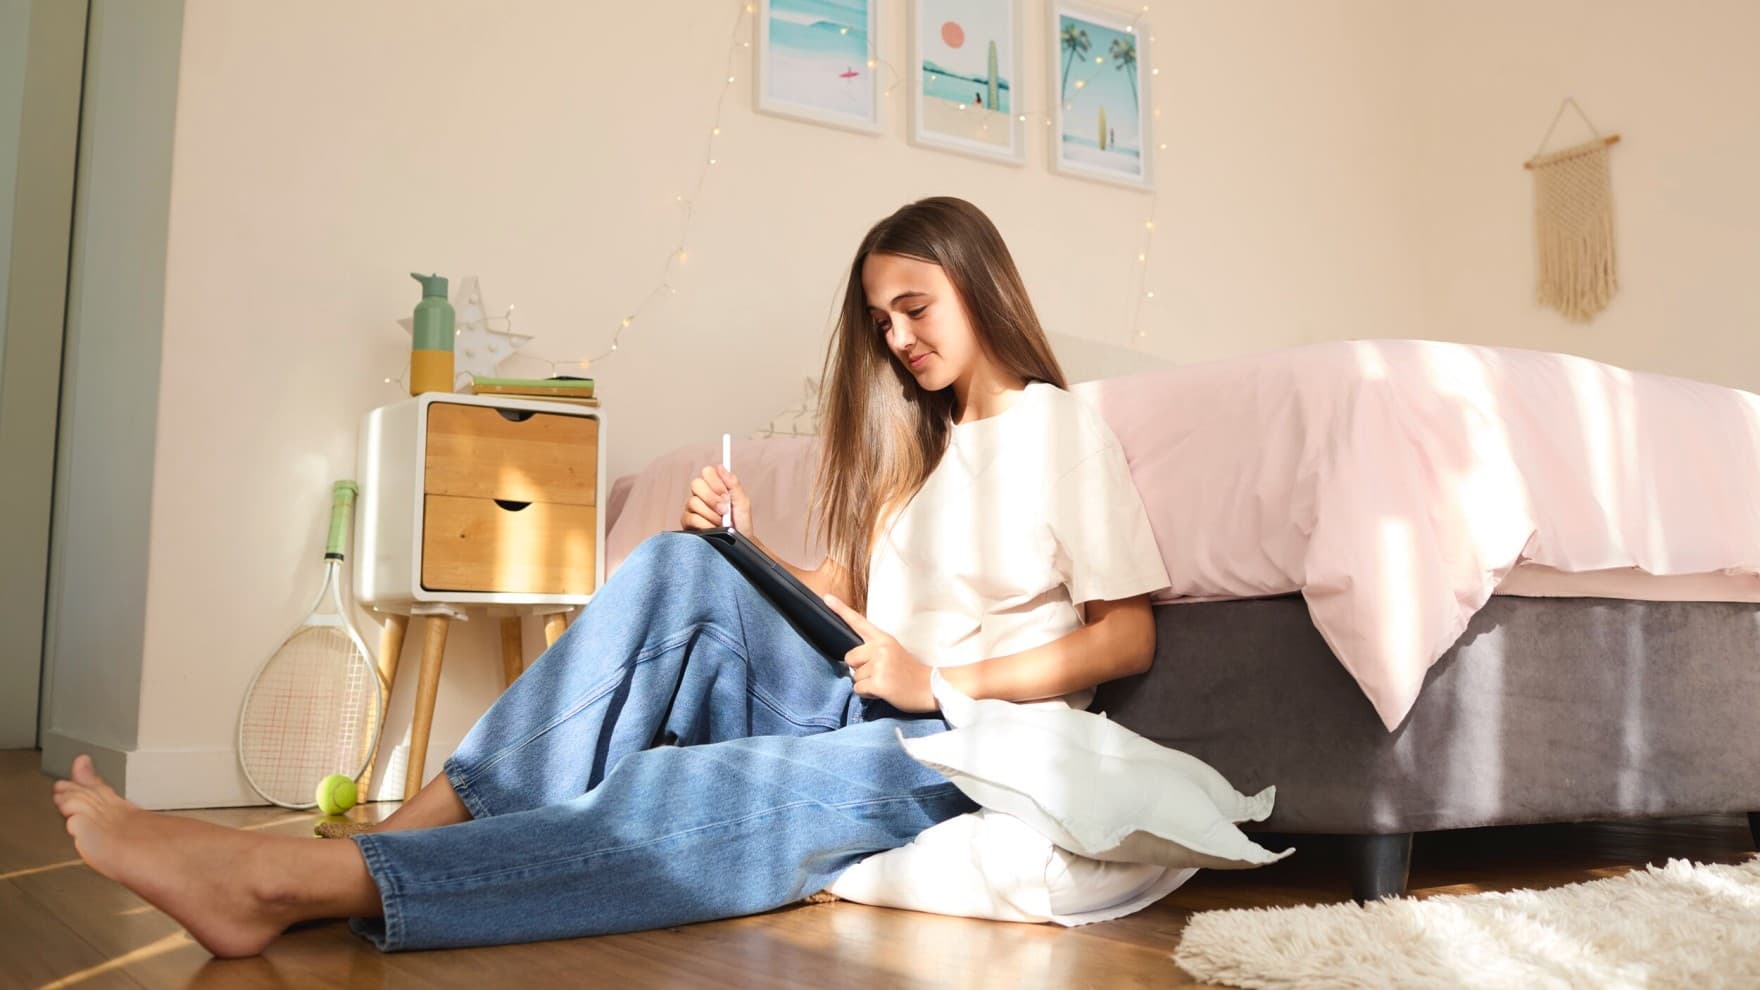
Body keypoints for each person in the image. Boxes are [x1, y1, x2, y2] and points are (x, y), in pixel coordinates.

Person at [50, 196, 1169, 956]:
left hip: (959, 740)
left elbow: (1125, 637)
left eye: (913, 308)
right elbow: (849, 594)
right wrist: (747, 549)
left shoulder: (1061, 433)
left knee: (680, 796)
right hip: (854, 691)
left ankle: (292, 884)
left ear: (977, 283)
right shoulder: (915, 456)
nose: (896, 338)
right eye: (880, 322)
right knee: (679, 567)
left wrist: (942, 685)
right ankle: (409, 826)